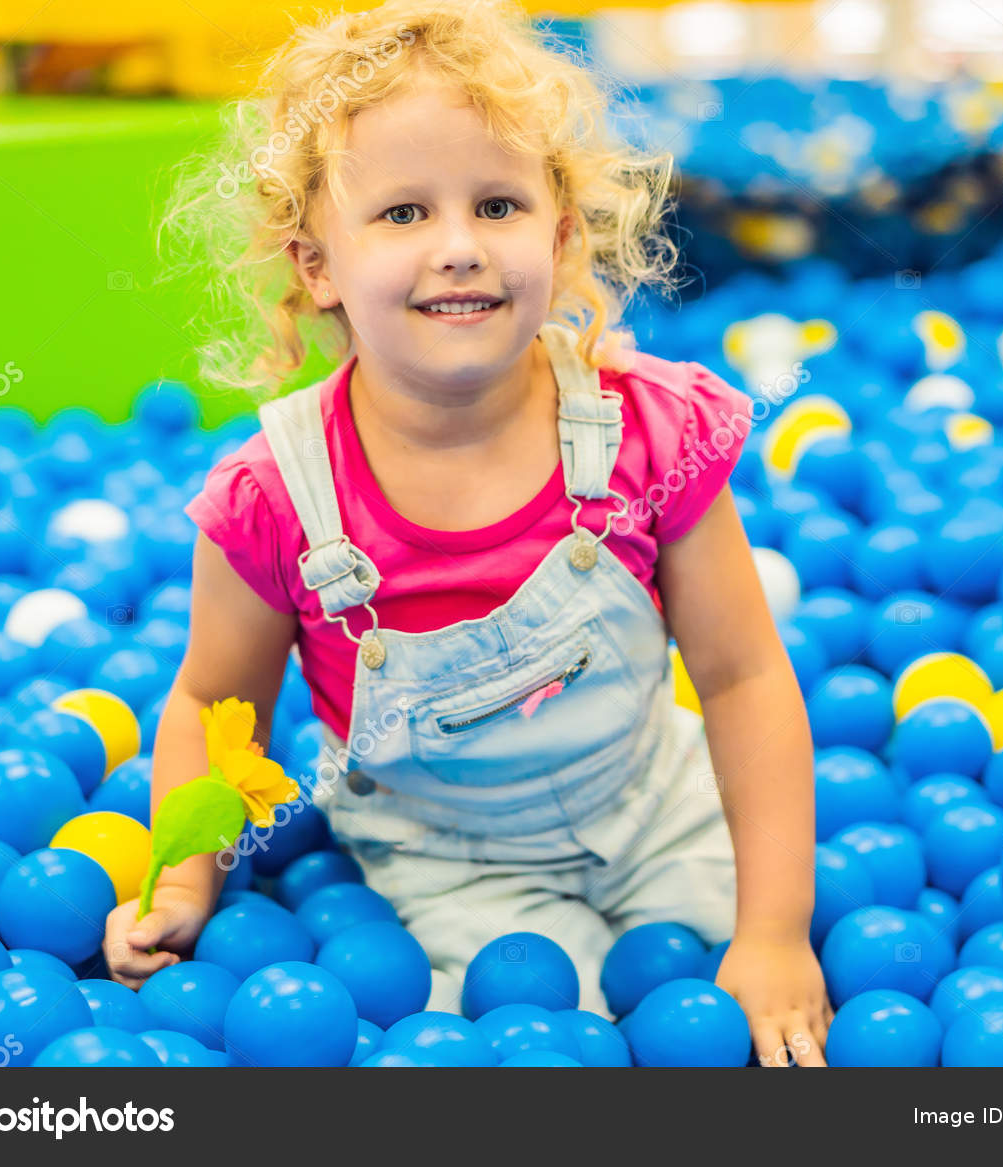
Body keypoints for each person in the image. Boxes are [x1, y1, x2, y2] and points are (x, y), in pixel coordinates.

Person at [102, 0, 830, 1066]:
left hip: (654, 803)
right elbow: (215, 703)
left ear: (562, 234)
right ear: (315, 265)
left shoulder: (645, 435)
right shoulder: (280, 498)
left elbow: (740, 678)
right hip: (450, 859)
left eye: (497, 204)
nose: (455, 249)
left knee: (728, 998)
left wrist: (773, 934)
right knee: (541, 1034)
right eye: (400, 215)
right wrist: (183, 877)